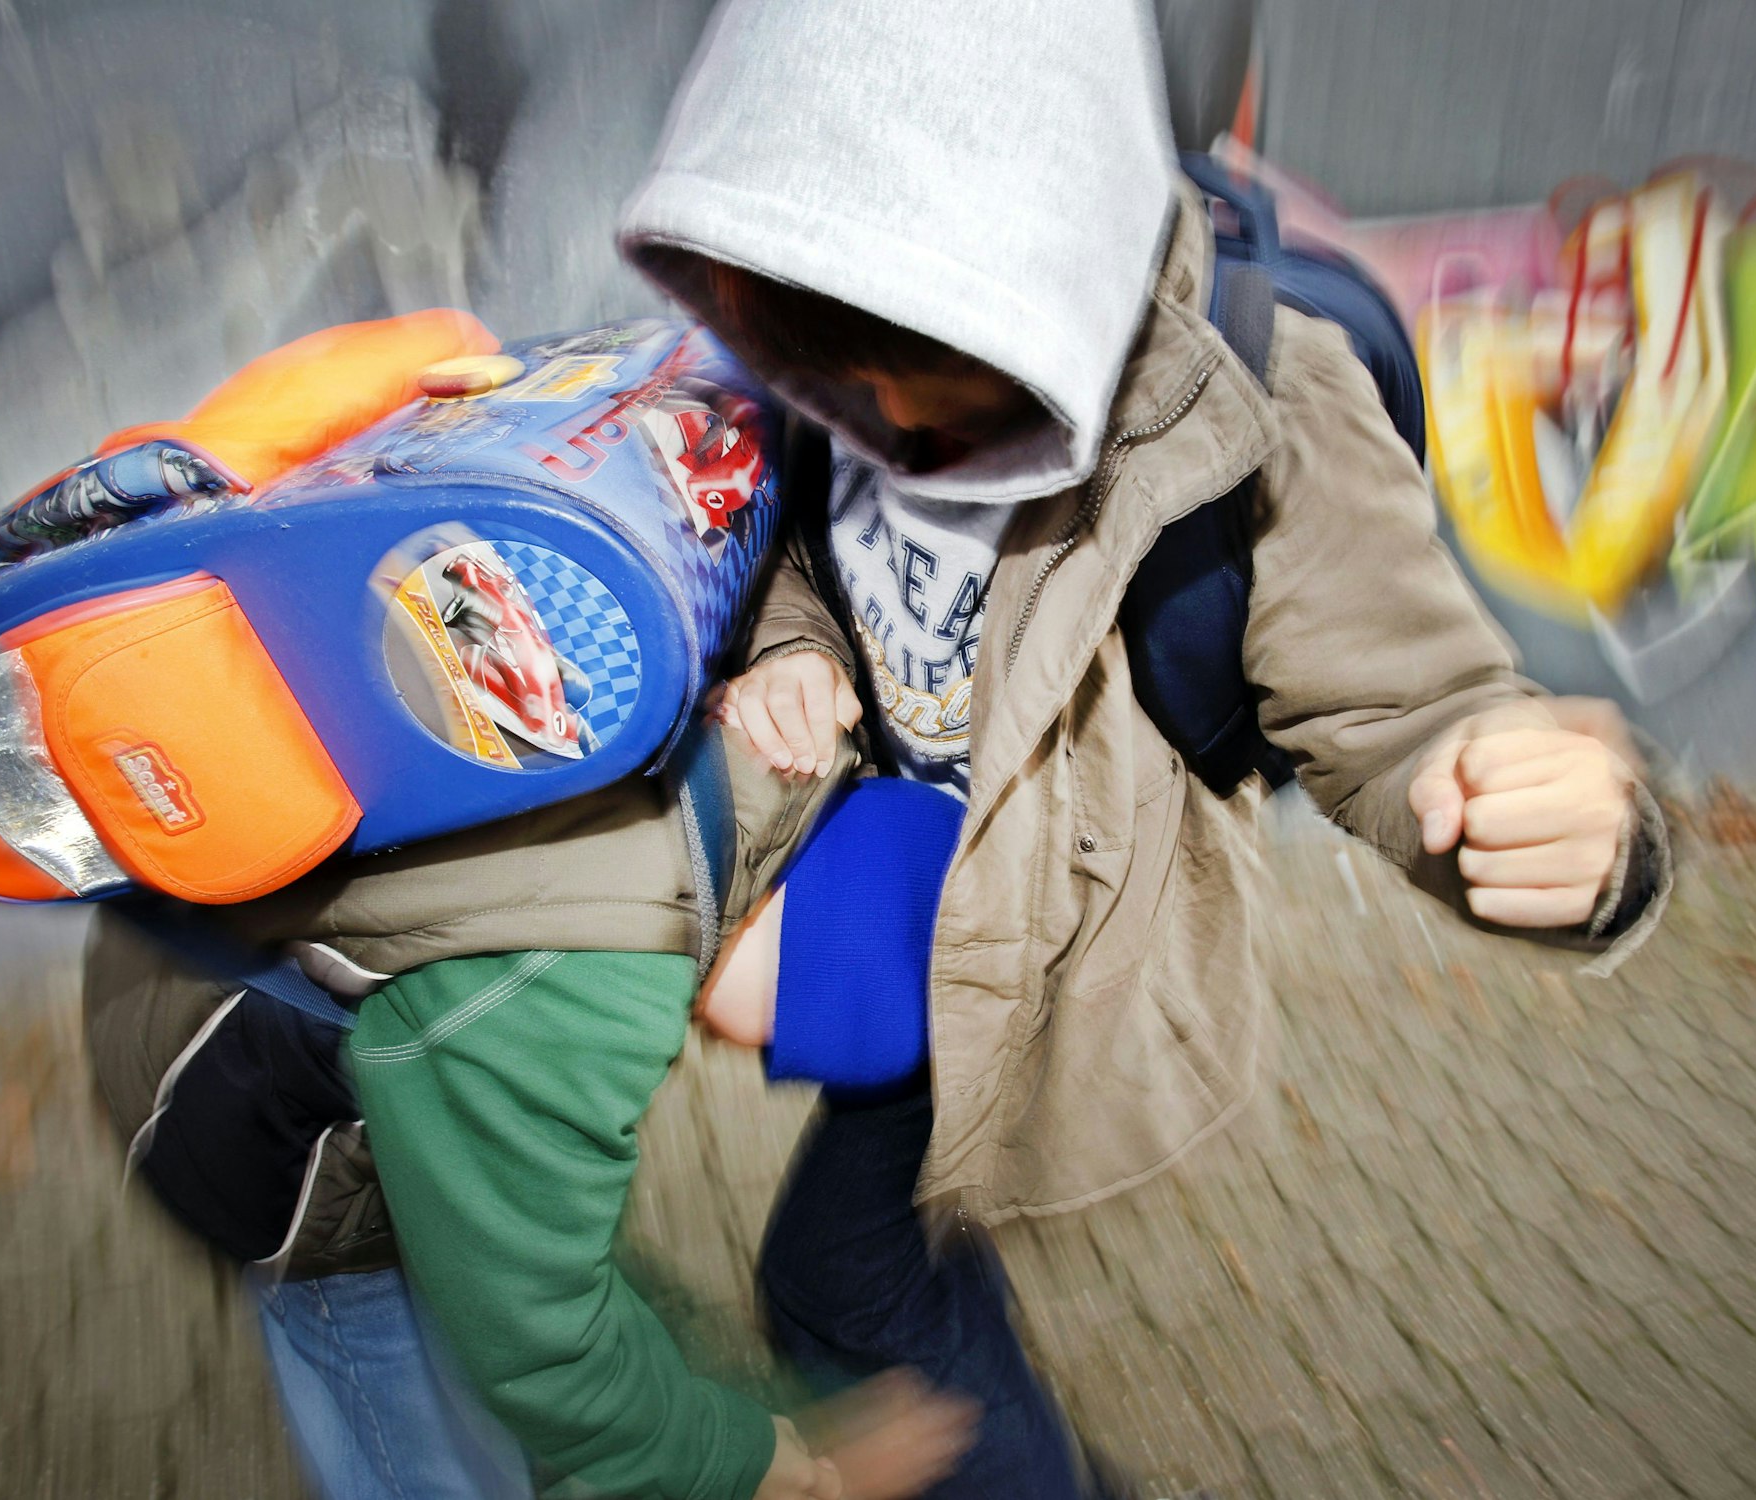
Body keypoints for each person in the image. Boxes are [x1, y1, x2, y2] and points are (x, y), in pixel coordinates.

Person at [615, 2, 1671, 1495]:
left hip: (1047, 936)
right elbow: (806, 547)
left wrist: (1563, 829)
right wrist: (789, 657)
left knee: (836, 1275)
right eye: (850, 379)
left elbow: (1408, 710)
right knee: (890, 1232)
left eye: (952, 381)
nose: (898, 424)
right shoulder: (824, 333)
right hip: (885, 866)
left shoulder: (1262, 394)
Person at [88, 723, 983, 1500]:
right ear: (817, 971)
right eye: (778, 1039)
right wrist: (738, 1462)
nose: (738, 1056)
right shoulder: (589, 990)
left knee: (517, 1233)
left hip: (227, 919)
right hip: (248, 1113)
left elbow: (545, 1223)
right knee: (416, 1438)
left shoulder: (733, 769)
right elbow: (540, 1339)